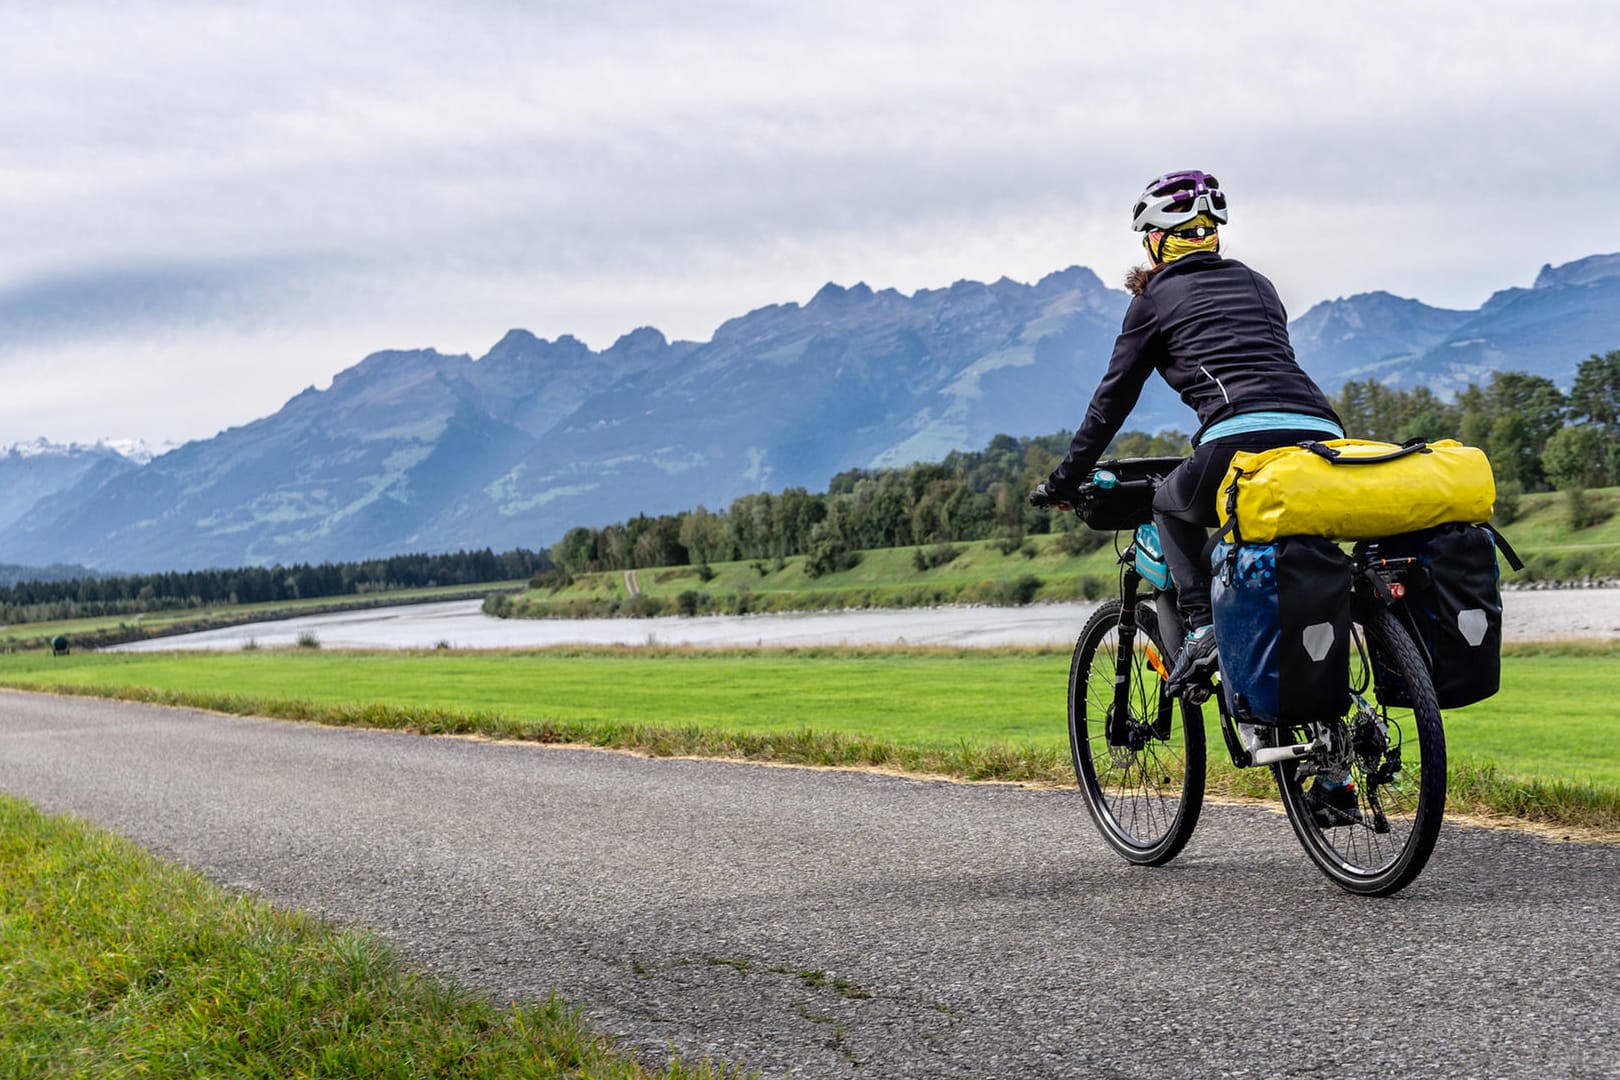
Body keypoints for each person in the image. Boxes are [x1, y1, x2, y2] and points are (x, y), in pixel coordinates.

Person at [1030, 170, 1344, 697]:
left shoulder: (1154, 296)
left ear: (1155, 241)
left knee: (1169, 503)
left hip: (1239, 436)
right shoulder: (1257, 281)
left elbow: (1112, 402)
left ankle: (1201, 628)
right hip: (1323, 432)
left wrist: (1064, 481)